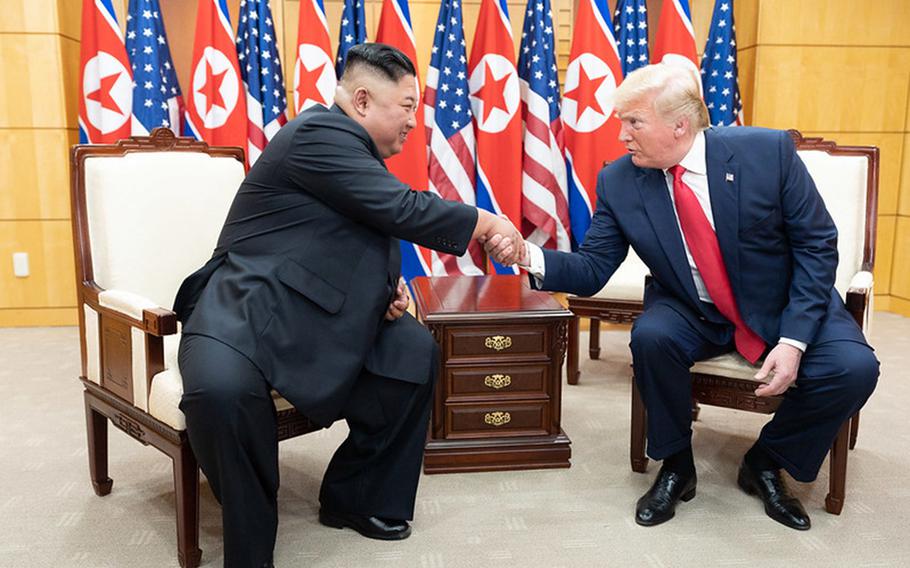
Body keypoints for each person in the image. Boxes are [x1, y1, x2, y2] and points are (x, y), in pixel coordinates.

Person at [173, 43, 523, 568]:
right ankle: (249, 546)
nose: (414, 121)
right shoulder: (319, 133)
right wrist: (489, 223)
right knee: (221, 393)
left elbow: (352, 234)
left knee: (411, 354)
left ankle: (356, 498)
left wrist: (386, 291)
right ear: (362, 100)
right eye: (406, 106)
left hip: (319, 308)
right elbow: (398, 208)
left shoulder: (355, 152)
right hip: (247, 308)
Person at [486, 63, 878, 531]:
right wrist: (526, 253)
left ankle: (767, 460)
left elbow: (817, 245)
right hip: (692, 306)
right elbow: (592, 269)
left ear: (679, 125)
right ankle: (676, 464)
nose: (621, 136)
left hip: (784, 301)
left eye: (633, 122)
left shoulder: (765, 153)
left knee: (854, 370)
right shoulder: (619, 180)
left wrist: (794, 340)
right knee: (652, 337)